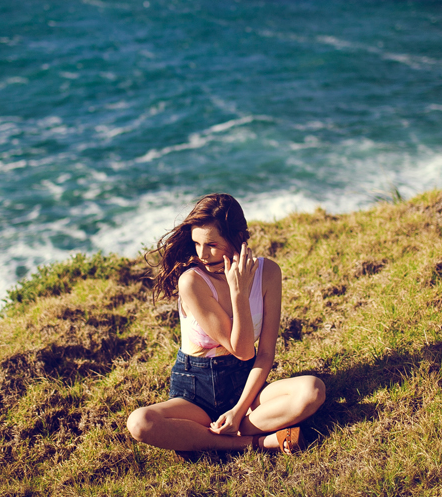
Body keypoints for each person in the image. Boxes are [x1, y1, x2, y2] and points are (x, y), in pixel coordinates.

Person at [126, 193, 325, 454]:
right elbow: (241, 348)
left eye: (212, 245)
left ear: (238, 239)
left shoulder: (268, 273)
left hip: (246, 385)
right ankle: (255, 442)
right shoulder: (193, 281)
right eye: (197, 243)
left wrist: (239, 409)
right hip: (196, 391)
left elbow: (262, 354)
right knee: (140, 423)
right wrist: (238, 292)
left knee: (312, 390)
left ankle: (228, 429)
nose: (203, 254)